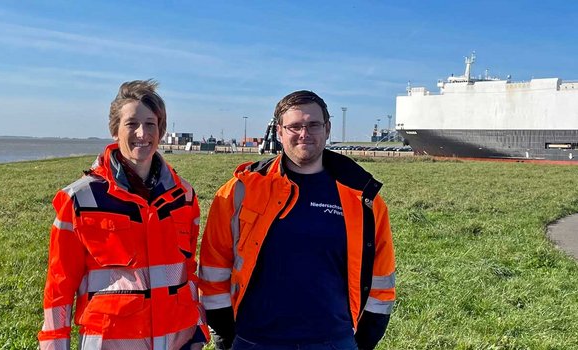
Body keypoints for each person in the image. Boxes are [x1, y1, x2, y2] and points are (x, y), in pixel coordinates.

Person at [198, 90, 396, 350]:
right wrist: (225, 331)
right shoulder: (240, 191)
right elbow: (214, 266)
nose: (304, 133)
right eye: (294, 126)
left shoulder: (362, 197)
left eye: (313, 124)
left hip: (334, 341)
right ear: (279, 132)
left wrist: (366, 337)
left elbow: (381, 275)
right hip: (253, 340)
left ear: (327, 128)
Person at [38, 80, 208, 350]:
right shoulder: (81, 198)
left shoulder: (183, 195)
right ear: (115, 130)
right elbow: (59, 286)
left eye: (151, 124)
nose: (142, 132)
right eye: (132, 123)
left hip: (179, 341)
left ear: (161, 130)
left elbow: (188, 271)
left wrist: (198, 331)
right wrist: (54, 345)